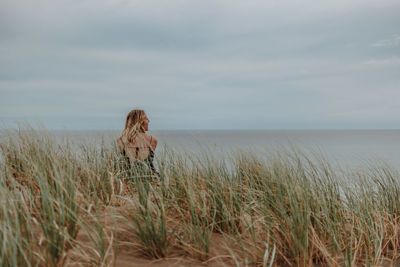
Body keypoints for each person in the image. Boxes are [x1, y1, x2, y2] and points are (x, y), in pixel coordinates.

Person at [117, 109, 158, 176]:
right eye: (147, 119)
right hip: (150, 178)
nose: (149, 121)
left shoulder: (121, 140)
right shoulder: (152, 140)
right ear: (140, 122)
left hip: (127, 178)